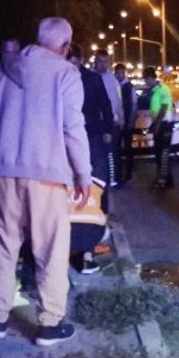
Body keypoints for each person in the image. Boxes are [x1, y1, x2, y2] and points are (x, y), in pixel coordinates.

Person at [0, 18, 92, 346]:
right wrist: (83, 173)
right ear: (65, 47)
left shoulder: (4, 68)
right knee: (51, 250)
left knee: (3, 246)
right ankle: (50, 324)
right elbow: (72, 127)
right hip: (48, 176)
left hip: (3, 173)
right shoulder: (66, 74)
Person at [67, 44, 114, 274]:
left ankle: (98, 225)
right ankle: (77, 238)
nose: (70, 66)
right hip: (68, 139)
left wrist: (108, 130)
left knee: (98, 183)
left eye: (74, 62)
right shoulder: (59, 78)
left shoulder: (92, 79)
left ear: (80, 60)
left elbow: (105, 104)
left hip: (92, 136)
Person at [93, 50, 123, 186]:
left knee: (111, 153)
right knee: (96, 154)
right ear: (95, 62)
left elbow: (118, 100)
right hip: (94, 123)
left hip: (110, 123)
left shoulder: (113, 80)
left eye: (105, 61)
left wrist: (120, 118)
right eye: (100, 61)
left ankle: (112, 180)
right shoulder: (90, 78)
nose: (103, 64)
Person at [142, 67, 174, 189]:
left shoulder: (162, 89)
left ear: (150, 78)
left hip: (164, 125)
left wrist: (157, 124)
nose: (145, 82)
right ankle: (168, 180)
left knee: (163, 154)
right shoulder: (154, 91)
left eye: (146, 79)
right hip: (159, 124)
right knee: (159, 152)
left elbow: (164, 108)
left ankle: (162, 181)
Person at [114, 63, 137, 183]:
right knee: (116, 149)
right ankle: (117, 173)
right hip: (116, 123)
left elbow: (134, 105)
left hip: (127, 123)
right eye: (118, 73)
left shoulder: (129, 87)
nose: (120, 75)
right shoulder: (114, 85)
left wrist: (130, 122)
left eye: (122, 73)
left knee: (128, 149)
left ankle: (128, 172)